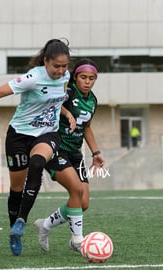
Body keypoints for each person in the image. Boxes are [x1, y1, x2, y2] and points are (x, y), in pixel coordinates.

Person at [0, 38, 71, 256]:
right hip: (19, 135)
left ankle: (22, 220)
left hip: (47, 133)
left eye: (64, 66)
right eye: (56, 66)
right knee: (16, 189)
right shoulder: (33, 77)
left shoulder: (66, 78)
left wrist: (67, 113)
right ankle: (14, 231)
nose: (61, 70)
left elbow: (55, 102)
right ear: (46, 61)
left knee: (37, 163)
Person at [34, 58, 105, 252]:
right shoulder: (68, 91)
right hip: (56, 148)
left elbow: (87, 127)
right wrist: (66, 113)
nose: (87, 81)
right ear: (75, 77)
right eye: (83, 77)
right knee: (76, 190)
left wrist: (96, 152)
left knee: (83, 203)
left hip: (75, 153)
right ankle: (77, 240)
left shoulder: (92, 100)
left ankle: (45, 225)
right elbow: (50, 103)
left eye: (92, 78)